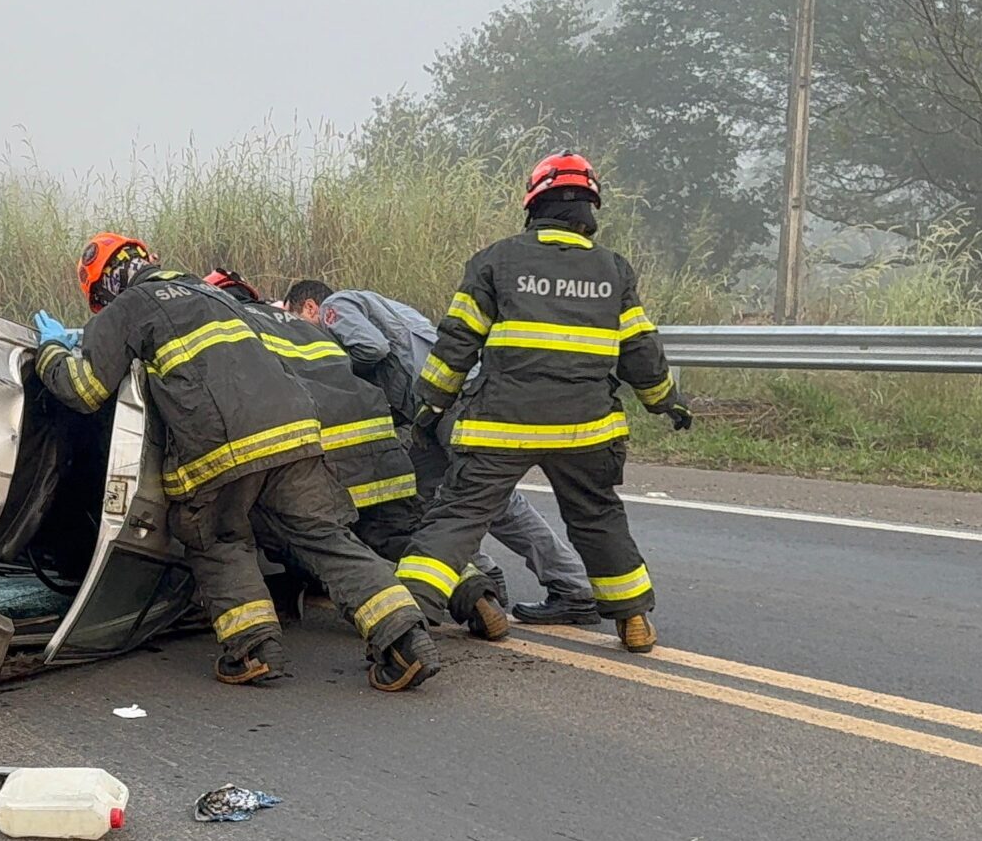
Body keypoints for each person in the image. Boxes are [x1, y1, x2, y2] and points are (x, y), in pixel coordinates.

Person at [35, 233, 442, 691]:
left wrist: (52, 349)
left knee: (217, 539)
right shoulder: (216, 295)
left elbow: (84, 390)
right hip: (295, 433)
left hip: (220, 448)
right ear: (147, 259)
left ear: (106, 287)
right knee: (325, 538)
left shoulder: (128, 308)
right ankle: (406, 639)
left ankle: (253, 650)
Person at [393, 154, 689, 653]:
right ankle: (634, 620)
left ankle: (401, 625)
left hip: (501, 425)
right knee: (598, 518)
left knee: (458, 518)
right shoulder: (613, 270)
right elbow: (640, 350)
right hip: (586, 429)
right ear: (589, 211)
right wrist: (666, 402)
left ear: (534, 204)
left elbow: (457, 342)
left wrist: (430, 406)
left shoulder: (497, 260)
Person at [284, 277, 601, 625]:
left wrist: (336, 374)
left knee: (492, 500)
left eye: (296, 320)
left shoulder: (338, 304)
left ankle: (572, 587)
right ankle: (481, 580)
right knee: (422, 497)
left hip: (455, 404)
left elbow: (371, 349)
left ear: (310, 308)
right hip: (435, 413)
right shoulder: (383, 305)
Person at [201, 269, 424, 561]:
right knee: (416, 535)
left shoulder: (240, 332)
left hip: (336, 471)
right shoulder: (322, 330)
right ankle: (473, 589)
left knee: (338, 552)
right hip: (391, 450)